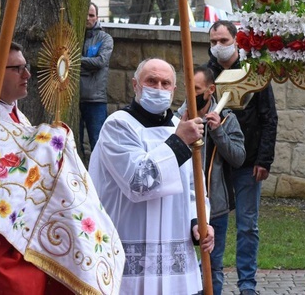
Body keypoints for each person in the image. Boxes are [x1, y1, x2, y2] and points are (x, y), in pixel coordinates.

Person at [0, 41, 124, 294]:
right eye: (18, 68)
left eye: (26, 67)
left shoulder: (10, 111)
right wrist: (50, 141)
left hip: (21, 238)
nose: (27, 75)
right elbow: (0, 179)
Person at [89, 58, 213, 294]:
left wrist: (199, 221)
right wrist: (178, 142)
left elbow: (194, 186)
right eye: (151, 81)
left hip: (174, 253)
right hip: (129, 244)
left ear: (174, 90)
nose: (158, 88)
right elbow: (138, 183)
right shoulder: (117, 126)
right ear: (136, 84)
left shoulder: (181, 126)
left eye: (165, 83)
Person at [206, 20, 277, 295]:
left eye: (223, 41)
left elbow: (269, 117)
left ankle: (247, 284)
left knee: (248, 226)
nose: (218, 47)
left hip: (249, 163)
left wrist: (264, 159)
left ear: (236, 41)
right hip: (217, 164)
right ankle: (213, 283)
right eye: (213, 42)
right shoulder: (207, 73)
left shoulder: (254, 72)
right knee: (215, 225)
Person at [176, 65, 245, 295]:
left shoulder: (227, 119)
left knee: (212, 265)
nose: (191, 94)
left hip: (215, 207)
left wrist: (218, 132)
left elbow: (238, 158)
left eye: (196, 89)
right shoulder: (176, 119)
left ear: (210, 90)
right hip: (181, 206)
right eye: (187, 88)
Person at [79, 2, 114, 154]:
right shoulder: (75, 36)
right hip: (75, 99)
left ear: (97, 18)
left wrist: (75, 60)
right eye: (85, 15)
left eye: (91, 15)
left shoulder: (105, 38)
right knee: (74, 143)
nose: (88, 18)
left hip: (95, 100)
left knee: (97, 143)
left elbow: (100, 62)